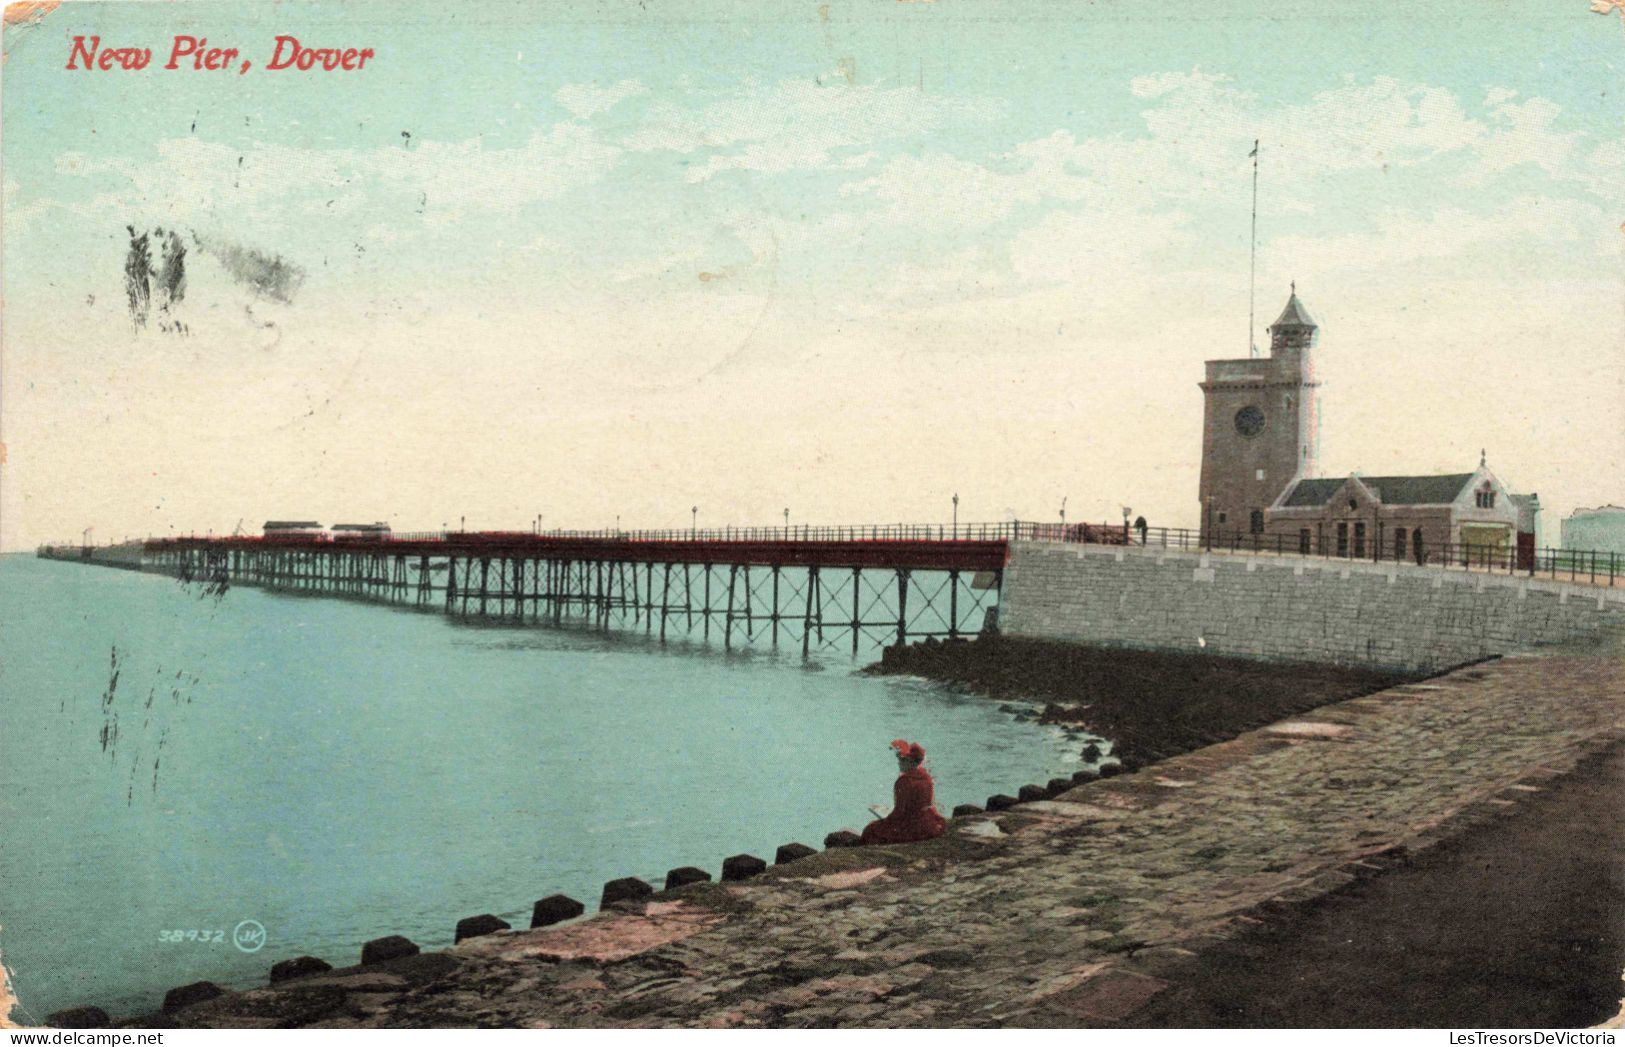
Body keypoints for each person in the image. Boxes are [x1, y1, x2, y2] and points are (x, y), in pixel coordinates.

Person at [861, 739, 947, 845]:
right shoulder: (926, 777)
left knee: (870, 830)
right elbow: (929, 803)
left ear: (909, 762)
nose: (899, 763)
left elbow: (899, 812)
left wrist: (886, 820)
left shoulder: (904, 781)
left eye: (902, 760)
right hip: (929, 823)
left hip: (913, 824)